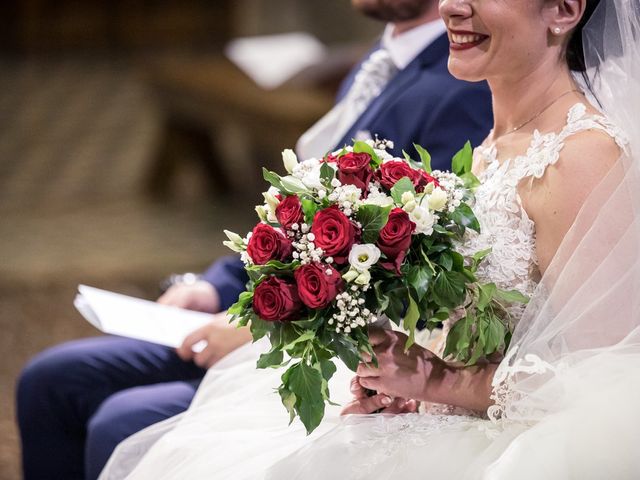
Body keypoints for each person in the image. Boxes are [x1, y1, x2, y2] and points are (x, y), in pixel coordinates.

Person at [99, 0, 640, 477]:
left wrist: (439, 384)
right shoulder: (496, 142)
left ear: (564, 11)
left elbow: (604, 378)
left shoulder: (582, 156)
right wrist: (399, 380)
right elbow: (492, 322)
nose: (451, 6)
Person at [15, 1, 493, 478]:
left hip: (325, 334)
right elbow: (305, 219)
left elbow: (416, 264)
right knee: (51, 378)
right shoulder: (383, 58)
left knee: (119, 420)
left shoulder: (463, 84)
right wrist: (215, 288)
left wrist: (256, 327)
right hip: (266, 305)